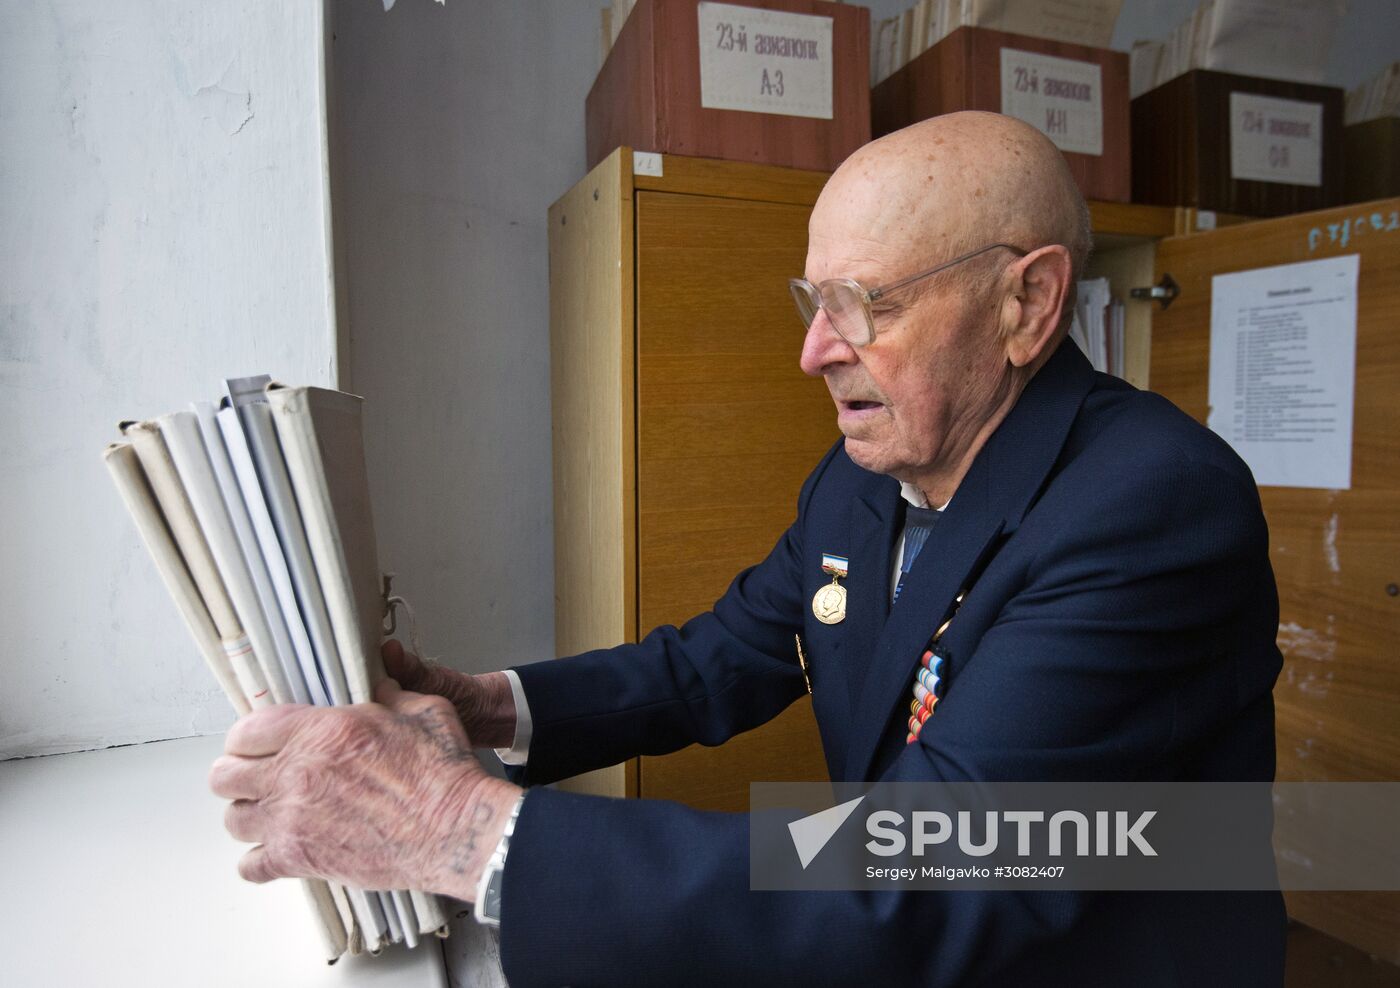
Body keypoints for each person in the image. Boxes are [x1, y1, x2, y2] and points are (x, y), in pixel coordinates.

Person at [209, 112, 1285, 985]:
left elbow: (926, 872)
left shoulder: (1153, 507)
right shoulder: (863, 478)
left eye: (863, 303)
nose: (814, 351)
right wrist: (481, 702)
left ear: (1027, 301)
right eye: (811, 301)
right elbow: (713, 661)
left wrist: (449, 825)